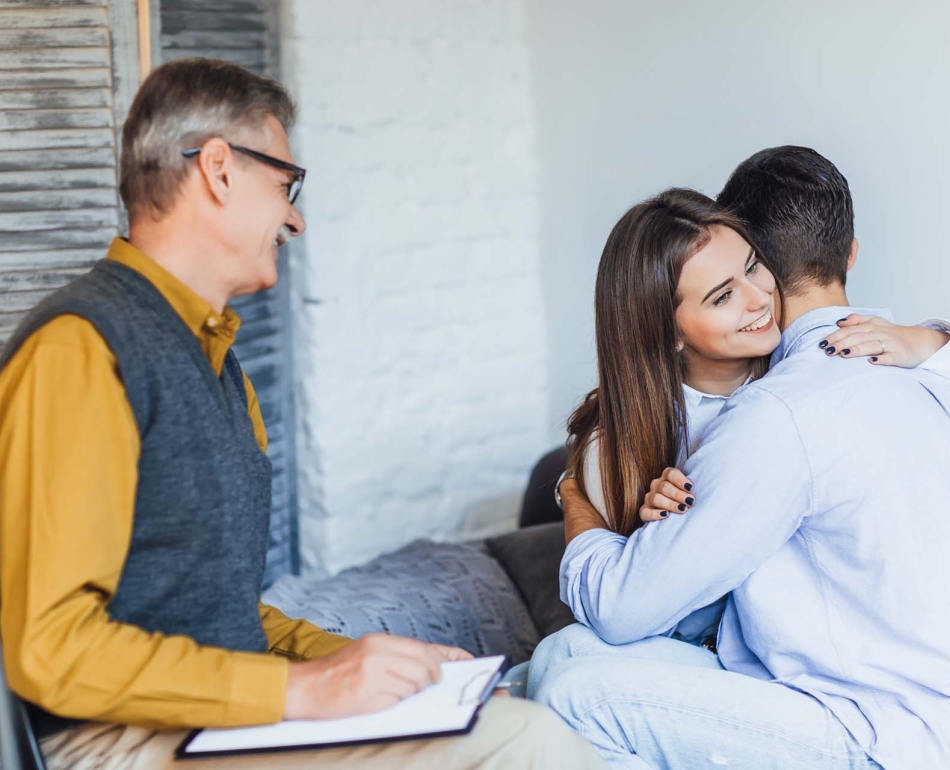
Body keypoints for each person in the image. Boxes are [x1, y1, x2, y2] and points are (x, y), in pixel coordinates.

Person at [0, 58, 605, 770]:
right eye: (285, 184)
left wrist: (366, 664)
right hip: (118, 740)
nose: (295, 217)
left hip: (211, 721)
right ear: (218, 170)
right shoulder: (79, 349)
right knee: (526, 744)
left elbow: (218, 611)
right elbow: (51, 648)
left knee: (504, 716)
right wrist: (303, 690)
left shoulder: (220, 367)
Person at [527, 147, 950, 769]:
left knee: (577, 697)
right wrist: (936, 342)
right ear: (850, 253)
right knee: (561, 656)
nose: (755, 300)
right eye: (725, 293)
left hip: (902, 732)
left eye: (754, 271)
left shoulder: (779, 414)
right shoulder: (934, 372)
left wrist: (574, 499)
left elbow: (622, 610)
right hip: (927, 701)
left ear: (771, 262)